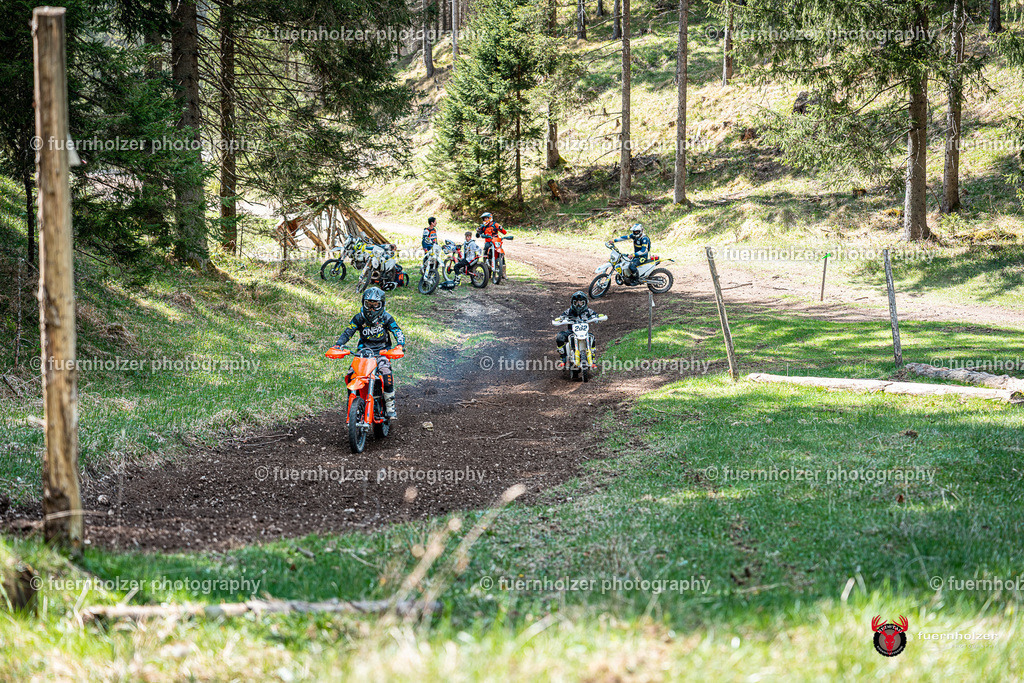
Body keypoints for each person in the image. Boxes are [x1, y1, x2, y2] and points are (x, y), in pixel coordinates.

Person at [332, 287, 406, 418]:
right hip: (363, 353)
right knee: (351, 375)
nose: (371, 309)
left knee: (387, 374)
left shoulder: (386, 318)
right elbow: (348, 332)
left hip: (382, 353)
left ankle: (390, 406)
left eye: (375, 305)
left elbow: (397, 331)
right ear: (363, 303)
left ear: (381, 304)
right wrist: (338, 344)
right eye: (368, 304)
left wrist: (400, 345)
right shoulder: (359, 318)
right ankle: (352, 404)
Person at [556, 291, 600, 368]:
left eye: (581, 303)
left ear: (585, 303)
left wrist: (598, 317)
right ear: (572, 303)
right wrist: (560, 319)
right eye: (576, 303)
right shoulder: (569, 311)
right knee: (559, 337)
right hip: (571, 332)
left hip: (584, 333)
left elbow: (596, 315)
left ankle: (592, 360)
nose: (578, 305)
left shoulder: (588, 311)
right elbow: (561, 317)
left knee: (592, 337)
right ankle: (563, 359)